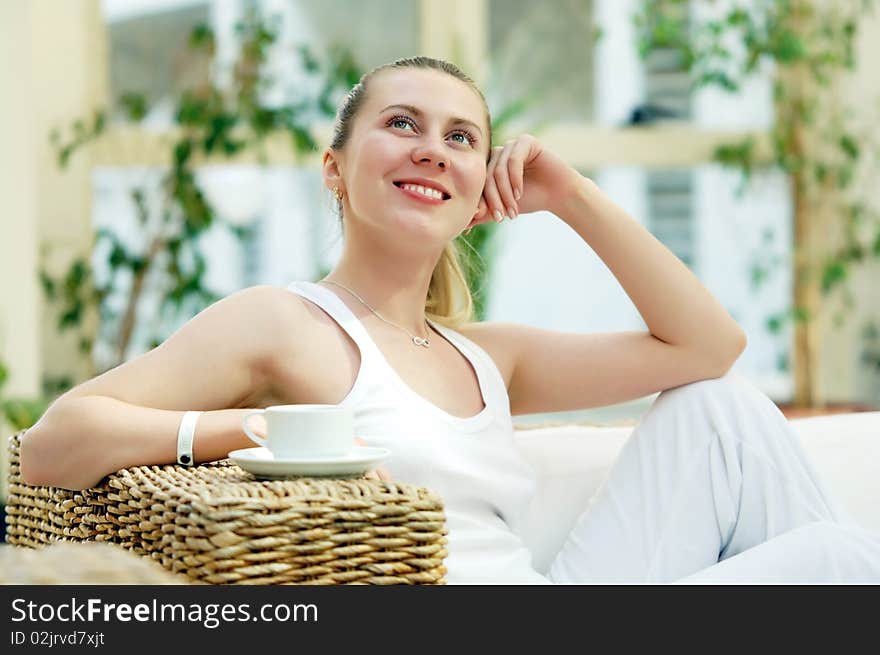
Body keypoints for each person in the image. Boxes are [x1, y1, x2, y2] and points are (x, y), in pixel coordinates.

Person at [20, 56, 880, 584]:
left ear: (477, 190)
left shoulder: (487, 357)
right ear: (335, 168)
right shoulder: (283, 321)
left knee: (717, 407)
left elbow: (708, 347)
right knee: (842, 562)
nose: (433, 146)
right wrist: (253, 429)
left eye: (463, 138)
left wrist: (571, 196)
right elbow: (54, 442)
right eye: (402, 124)